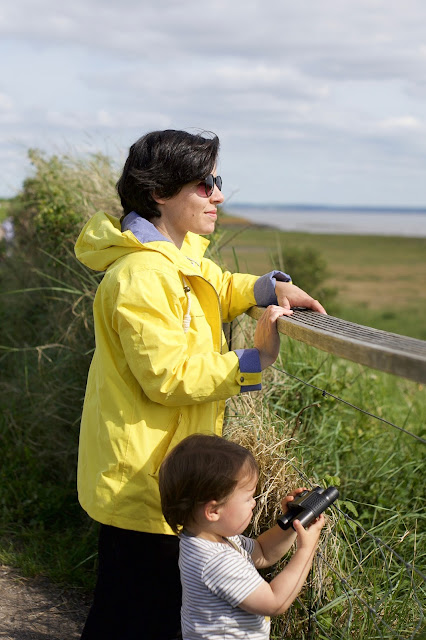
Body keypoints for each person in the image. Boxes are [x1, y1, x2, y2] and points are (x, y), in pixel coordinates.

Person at [74, 129, 326, 640]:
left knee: (144, 612)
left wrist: (267, 287)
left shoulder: (176, 253)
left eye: (216, 180)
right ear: (159, 194)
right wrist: (254, 360)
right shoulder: (142, 276)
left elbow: (214, 284)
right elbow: (168, 376)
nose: (218, 194)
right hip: (144, 481)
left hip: (164, 473)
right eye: (203, 184)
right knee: (133, 615)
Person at [159, 433, 325, 640]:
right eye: (248, 498)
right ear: (213, 511)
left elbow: (263, 552)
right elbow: (275, 602)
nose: (254, 502)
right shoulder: (218, 561)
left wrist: (291, 524)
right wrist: (306, 550)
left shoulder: (209, 539)